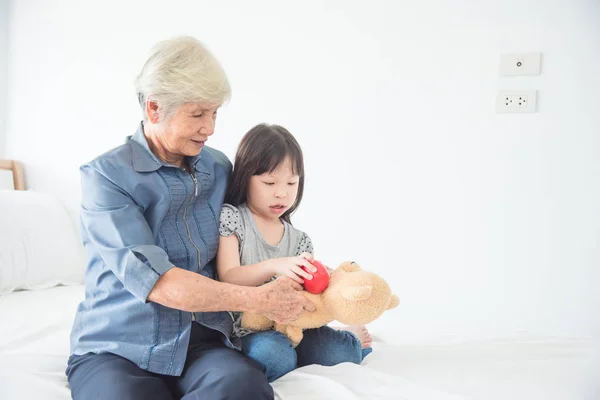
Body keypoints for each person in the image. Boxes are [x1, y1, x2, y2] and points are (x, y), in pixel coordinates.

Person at [65, 36, 316, 400]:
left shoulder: (219, 167)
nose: (210, 127)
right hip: (118, 347)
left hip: (201, 343)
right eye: (197, 114)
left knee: (246, 387)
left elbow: (254, 232)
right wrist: (260, 301)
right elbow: (161, 283)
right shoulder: (106, 177)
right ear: (154, 109)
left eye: (214, 113)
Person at [216, 123, 373, 382]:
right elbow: (229, 276)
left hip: (294, 326)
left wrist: (324, 281)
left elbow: (307, 297)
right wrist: (275, 265)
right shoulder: (233, 218)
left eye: (291, 182)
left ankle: (348, 335)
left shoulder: (299, 240)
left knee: (337, 352)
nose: (282, 193)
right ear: (245, 177)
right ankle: (295, 354)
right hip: (247, 330)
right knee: (274, 356)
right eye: (269, 182)